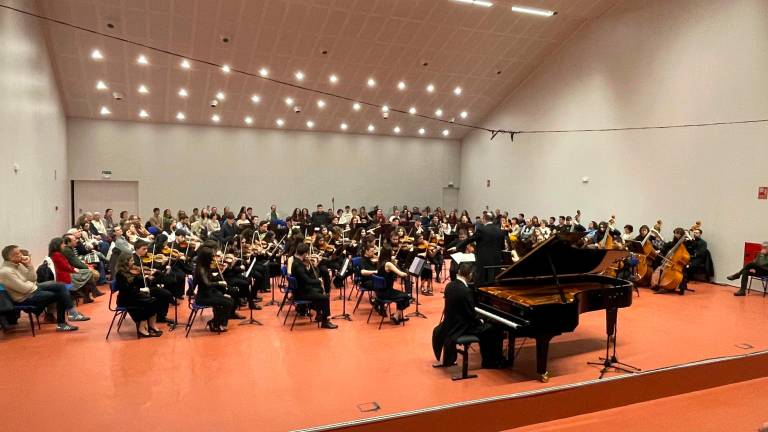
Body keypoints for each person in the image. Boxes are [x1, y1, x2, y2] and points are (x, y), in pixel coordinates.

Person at [431, 262, 505, 368]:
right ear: (470, 275)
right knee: (493, 328)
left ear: (459, 272)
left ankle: (491, 360)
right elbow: (471, 315)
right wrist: (484, 319)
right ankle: (491, 361)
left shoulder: (450, 285)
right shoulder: (465, 291)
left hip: (450, 324)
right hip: (461, 327)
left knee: (488, 326)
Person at [0, 245, 80, 331]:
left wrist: (28, 264)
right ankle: (63, 322)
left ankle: (71, 314)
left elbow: (33, 278)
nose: (21, 254)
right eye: (18, 253)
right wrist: (33, 285)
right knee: (60, 295)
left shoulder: (18, 264)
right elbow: (24, 289)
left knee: (60, 286)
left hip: (32, 289)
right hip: (26, 297)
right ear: (11, 257)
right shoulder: (5, 272)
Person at [449, 213, 506, 284]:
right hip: (496, 260)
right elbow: (503, 246)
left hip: (483, 259)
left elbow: (470, 239)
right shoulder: (500, 231)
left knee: (482, 280)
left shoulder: (482, 230)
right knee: (493, 279)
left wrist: (457, 246)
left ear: (484, 219)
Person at [114, 253, 162, 337]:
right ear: (125, 262)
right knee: (148, 303)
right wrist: (140, 288)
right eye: (131, 260)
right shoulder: (120, 274)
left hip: (133, 295)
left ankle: (151, 326)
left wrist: (143, 279)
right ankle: (141, 328)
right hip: (125, 299)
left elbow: (136, 285)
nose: (133, 262)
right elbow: (126, 290)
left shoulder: (130, 271)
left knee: (154, 301)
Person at [291, 243, 337, 329]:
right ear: (304, 253)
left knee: (319, 291)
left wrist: (314, 266)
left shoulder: (298, 262)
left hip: (303, 289)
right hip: (302, 293)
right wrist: (319, 281)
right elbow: (307, 280)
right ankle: (325, 321)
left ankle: (320, 315)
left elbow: (307, 275)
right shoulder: (298, 265)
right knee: (325, 298)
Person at [194, 246, 234, 332]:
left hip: (209, 293)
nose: (213, 258)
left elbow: (211, 279)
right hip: (203, 297)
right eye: (211, 256)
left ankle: (215, 322)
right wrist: (219, 283)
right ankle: (215, 323)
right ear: (206, 257)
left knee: (230, 301)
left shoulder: (206, 266)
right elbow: (207, 284)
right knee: (228, 303)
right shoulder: (201, 269)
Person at [375, 246, 412, 324]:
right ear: (388, 254)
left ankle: (399, 316)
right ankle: (396, 316)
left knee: (402, 296)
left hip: (379, 292)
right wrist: (408, 272)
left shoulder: (380, 262)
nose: (393, 253)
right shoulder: (388, 264)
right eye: (391, 252)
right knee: (407, 296)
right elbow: (401, 274)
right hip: (387, 293)